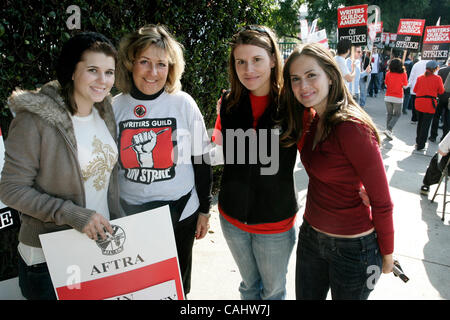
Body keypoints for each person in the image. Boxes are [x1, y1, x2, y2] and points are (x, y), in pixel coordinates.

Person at [0, 32, 124, 300]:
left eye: (109, 72)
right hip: (48, 258)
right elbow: (10, 189)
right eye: (93, 70)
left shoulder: (105, 110)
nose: (103, 81)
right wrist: (72, 214)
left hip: (97, 248)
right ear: (71, 71)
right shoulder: (34, 120)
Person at [280, 43, 394, 300]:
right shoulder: (310, 119)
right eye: (295, 79)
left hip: (354, 250)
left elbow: (382, 201)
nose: (303, 86)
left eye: (311, 75)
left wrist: (387, 254)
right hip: (310, 238)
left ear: (331, 76)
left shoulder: (352, 128)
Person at [113, 24, 212, 296]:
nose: (153, 72)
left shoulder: (183, 103)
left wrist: (205, 209)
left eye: (161, 64)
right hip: (129, 218)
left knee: (175, 288)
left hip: (181, 213)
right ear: (130, 63)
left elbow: (201, 161)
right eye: (144, 62)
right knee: (138, 289)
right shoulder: (114, 107)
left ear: (171, 68)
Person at [210, 25, 302, 300]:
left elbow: (321, 155)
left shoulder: (294, 104)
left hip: (274, 225)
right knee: (249, 287)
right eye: (241, 61)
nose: (248, 69)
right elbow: (218, 150)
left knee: (273, 292)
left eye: (257, 60)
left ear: (273, 59)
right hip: (232, 219)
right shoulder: (227, 102)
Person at [413, 60, 445, 151]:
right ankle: (421, 144)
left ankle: (418, 141)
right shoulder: (438, 78)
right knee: (425, 125)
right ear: (435, 69)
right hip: (429, 104)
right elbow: (441, 91)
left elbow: (415, 90)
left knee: (420, 123)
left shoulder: (420, 78)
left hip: (419, 102)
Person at [383, 58, 408, 140]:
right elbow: (405, 86)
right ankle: (389, 128)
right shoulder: (403, 74)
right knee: (397, 114)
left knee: (389, 114)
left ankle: (388, 130)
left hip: (388, 96)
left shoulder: (388, 74)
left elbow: (386, 85)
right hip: (398, 97)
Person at [429, 57, 450, 142]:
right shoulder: (442, 70)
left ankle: (433, 136)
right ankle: (444, 137)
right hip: (448, 97)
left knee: (436, 116)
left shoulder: (441, 71)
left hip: (441, 96)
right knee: (447, 119)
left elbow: (437, 84)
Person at [408, 58, 430, 123]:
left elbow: (411, 76)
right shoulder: (431, 65)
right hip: (426, 89)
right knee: (424, 104)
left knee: (414, 104)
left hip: (415, 87)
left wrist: (409, 84)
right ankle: (421, 118)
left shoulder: (416, 64)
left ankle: (414, 118)